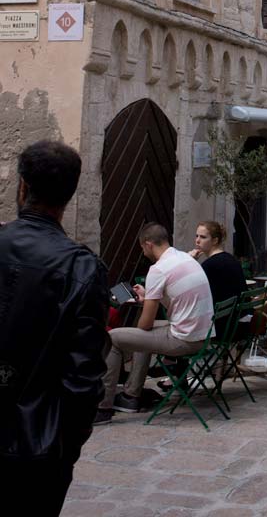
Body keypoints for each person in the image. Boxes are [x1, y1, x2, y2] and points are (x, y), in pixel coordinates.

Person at [0, 140, 109, 516]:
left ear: (23, 188)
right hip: (40, 446)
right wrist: (67, 444)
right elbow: (84, 376)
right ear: (69, 196)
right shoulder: (81, 268)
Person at [95, 222, 213, 422]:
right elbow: (177, 301)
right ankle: (131, 396)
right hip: (203, 334)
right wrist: (150, 296)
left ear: (148, 244)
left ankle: (103, 407)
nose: (143, 252)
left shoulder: (158, 270)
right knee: (138, 336)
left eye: (142, 247)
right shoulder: (185, 257)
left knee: (113, 337)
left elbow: (145, 325)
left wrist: (149, 300)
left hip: (184, 338)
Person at [189, 220, 246, 333]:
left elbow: (192, 292)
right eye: (196, 236)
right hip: (237, 323)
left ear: (215, 240)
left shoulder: (210, 265)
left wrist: (189, 261)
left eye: (203, 237)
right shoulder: (231, 259)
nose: (197, 241)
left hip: (219, 327)